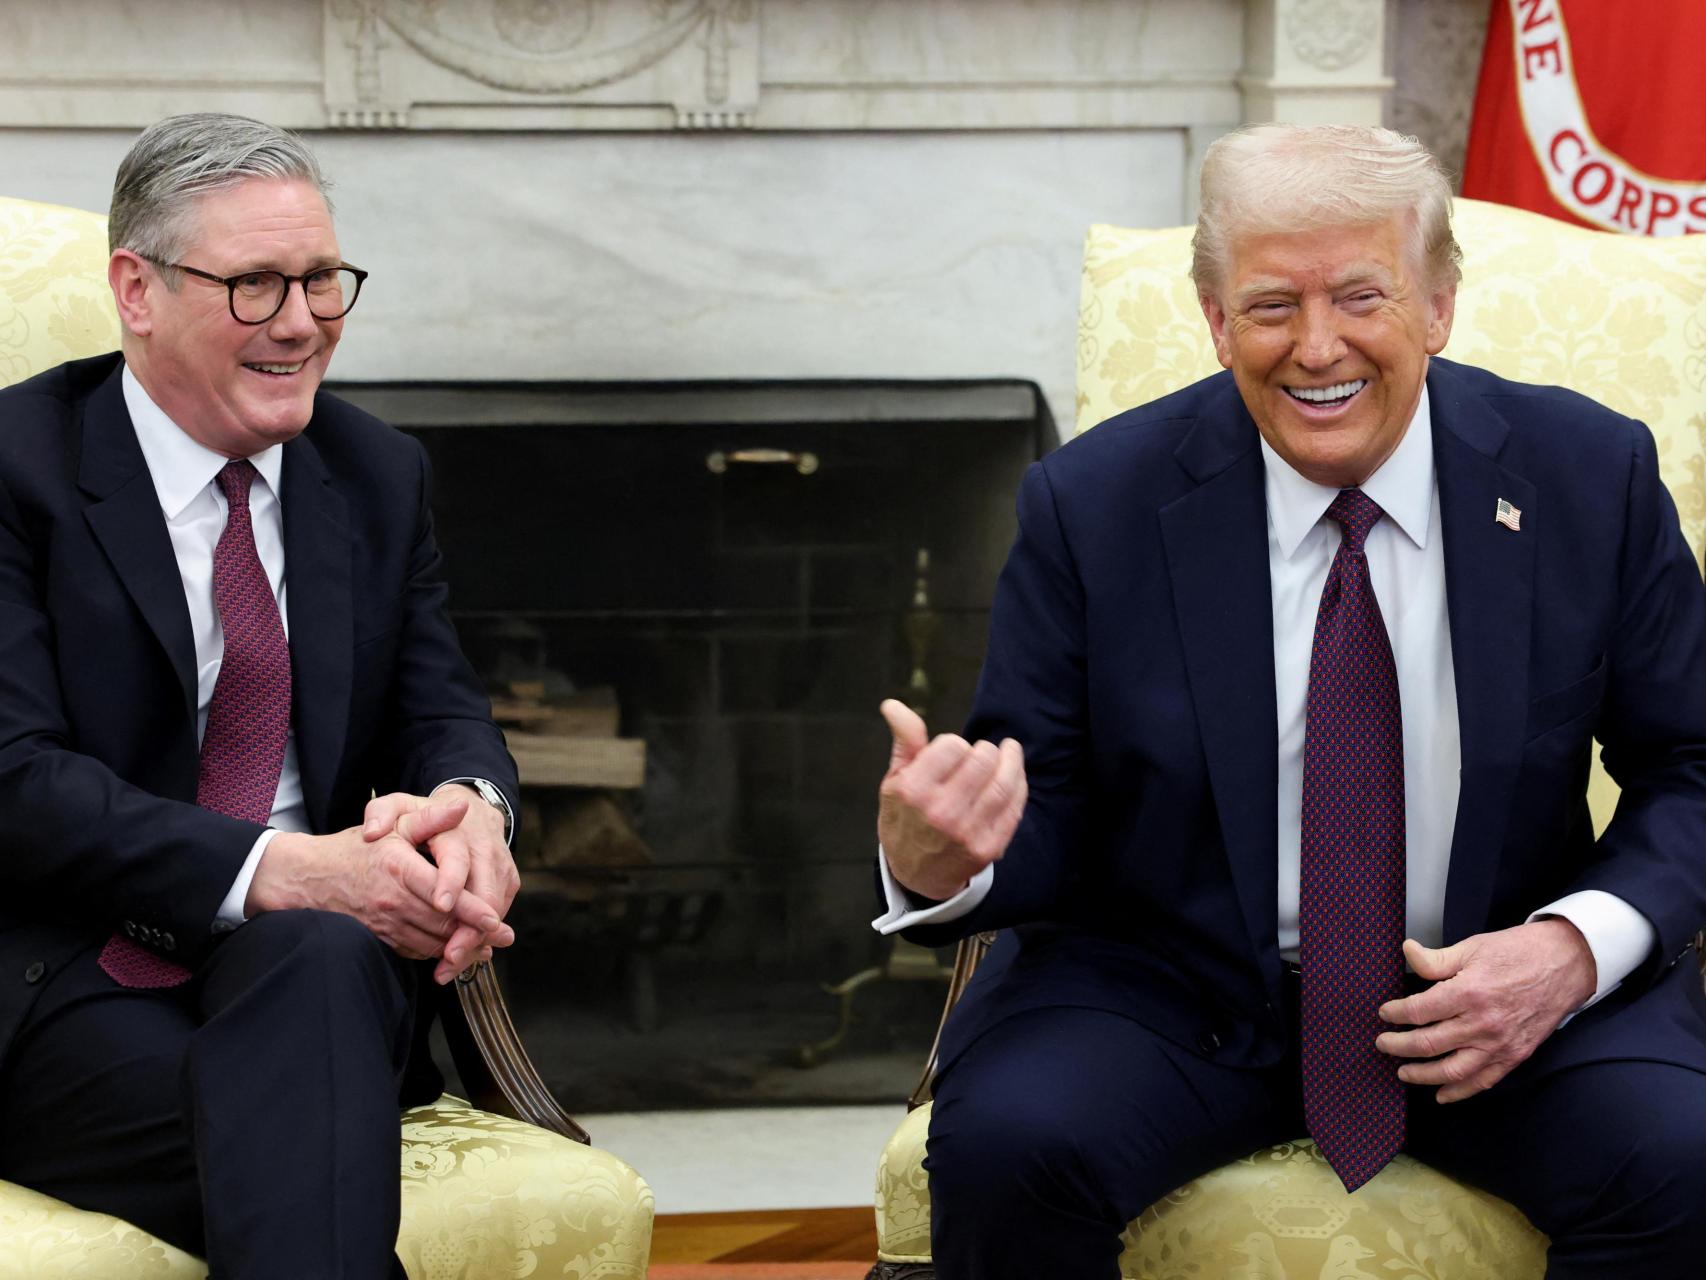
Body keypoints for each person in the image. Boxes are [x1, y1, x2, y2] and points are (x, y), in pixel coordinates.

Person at [874, 124, 1706, 1279]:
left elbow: (1691, 762)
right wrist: (939, 863)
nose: (1316, 348)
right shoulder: (1090, 503)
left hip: (1498, 987)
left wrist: (1571, 947)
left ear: (1437, 303)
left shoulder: (1584, 476)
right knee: (1008, 1145)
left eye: (1360, 296)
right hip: (1168, 988)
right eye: (1268, 306)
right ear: (1214, 321)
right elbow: (1041, 802)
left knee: (1681, 1154)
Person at [0, 114, 521, 1279]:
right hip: (69, 975)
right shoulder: (17, 468)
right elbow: (12, 778)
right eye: (254, 285)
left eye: (322, 278)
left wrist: (470, 805)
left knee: (323, 960)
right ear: (136, 289)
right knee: (305, 1137)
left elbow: (445, 709)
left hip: (318, 982)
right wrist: (286, 870)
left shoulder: (377, 472)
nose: (300, 322)